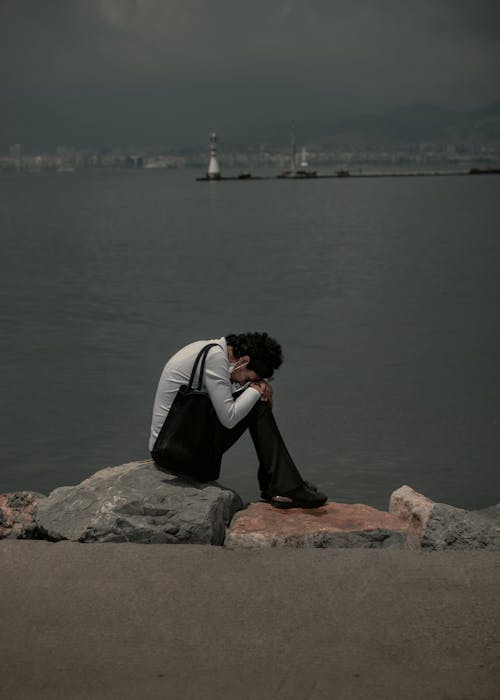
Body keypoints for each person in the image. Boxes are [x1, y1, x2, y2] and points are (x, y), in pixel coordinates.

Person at [149, 332, 327, 509]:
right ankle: (282, 485)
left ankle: (281, 483)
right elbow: (229, 418)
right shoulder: (215, 359)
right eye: (248, 379)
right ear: (243, 361)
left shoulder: (212, 350)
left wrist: (255, 388)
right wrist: (257, 390)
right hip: (174, 455)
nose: (243, 383)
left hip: (175, 446)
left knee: (255, 403)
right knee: (257, 405)